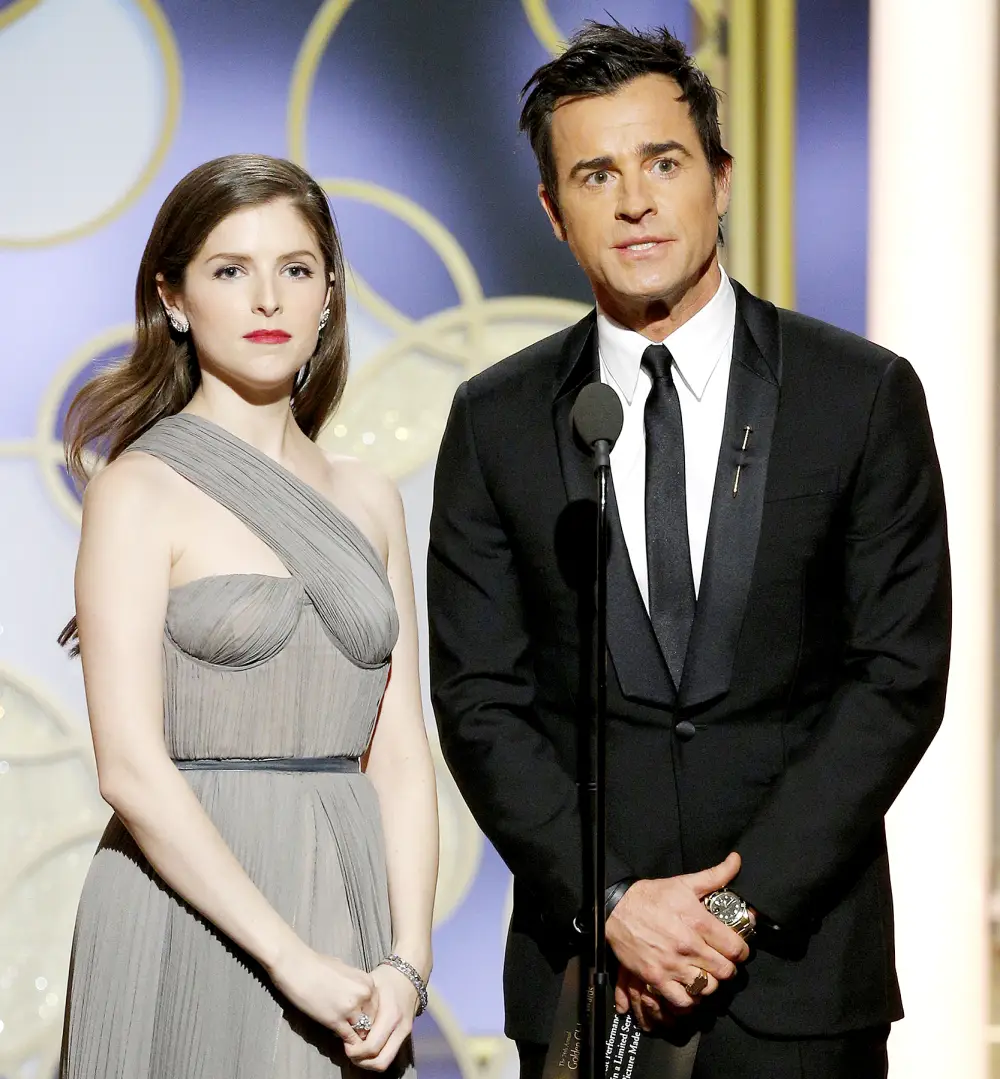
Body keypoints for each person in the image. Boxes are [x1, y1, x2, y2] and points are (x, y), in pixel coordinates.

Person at [427, 23, 950, 1079]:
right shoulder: (496, 420)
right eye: (595, 173)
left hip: (801, 975)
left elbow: (895, 675)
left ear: (717, 178)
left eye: (662, 162)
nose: (634, 201)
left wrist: (729, 907)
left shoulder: (859, 394)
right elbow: (480, 698)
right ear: (553, 211)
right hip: (586, 975)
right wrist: (613, 902)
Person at [58, 153, 438, 1079]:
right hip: (185, 913)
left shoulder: (370, 498)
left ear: (330, 293)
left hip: (350, 918)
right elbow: (131, 770)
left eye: (296, 269)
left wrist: (409, 962)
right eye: (231, 270)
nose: (268, 299)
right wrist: (287, 955)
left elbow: (401, 754)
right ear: (175, 297)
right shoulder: (139, 490)